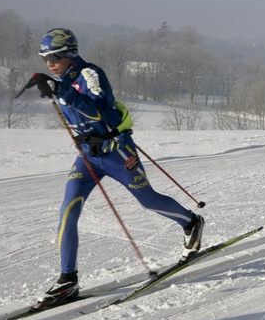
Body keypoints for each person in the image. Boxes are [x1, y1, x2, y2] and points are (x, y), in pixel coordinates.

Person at [25, 28, 204, 305]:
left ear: (70, 54)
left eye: (55, 57)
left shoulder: (89, 75)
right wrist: (51, 86)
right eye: (45, 58)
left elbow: (98, 111)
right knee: (68, 209)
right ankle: (67, 280)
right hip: (87, 156)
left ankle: (191, 222)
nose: (50, 63)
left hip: (116, 152)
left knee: (149, 201)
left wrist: (61, 90)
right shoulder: (60, 78)